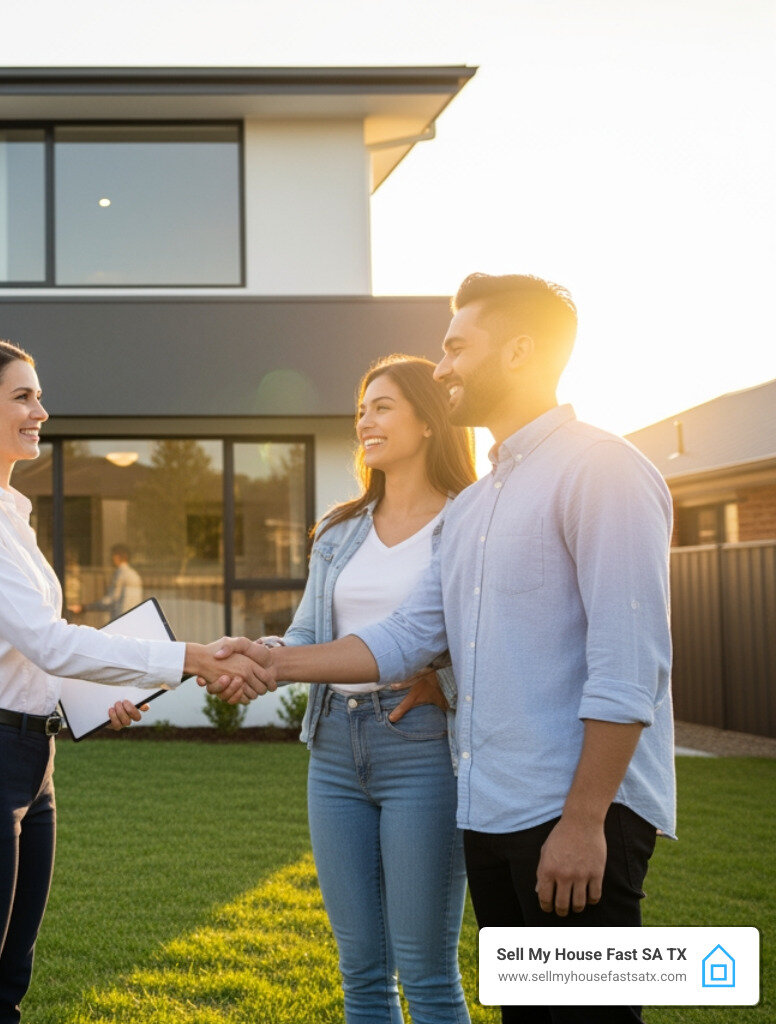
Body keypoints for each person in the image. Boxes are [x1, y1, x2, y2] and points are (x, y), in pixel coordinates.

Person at [210, 274, 676, 1024]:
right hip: (491, 814)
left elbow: (629, 667)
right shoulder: (480, 505)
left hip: (573, 816)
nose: (443, 366)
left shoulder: (602, 468)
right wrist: (274, 660)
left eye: (457, 347)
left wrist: (586, 819)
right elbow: (406, 637)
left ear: (519, 351)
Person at [0, 337, 270, 1024]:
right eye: (22, 396)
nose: (40, 411)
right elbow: (47, 639)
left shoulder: (10, 515)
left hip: (28, 761)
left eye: (38, 396)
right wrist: (193, 657)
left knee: (6, 984)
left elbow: (32, 655)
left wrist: (94, 702)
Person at [280, 354, 477, 1023]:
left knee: (426, 972)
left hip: (422, 748)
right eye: (362, 408)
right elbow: (306, 634)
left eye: (383, 406)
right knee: (361, 970)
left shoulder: (468, 522)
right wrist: (255, 656)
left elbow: (496, 636)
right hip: (334, 747)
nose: (365, 420)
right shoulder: (340, 529)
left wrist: (444, 681)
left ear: (429, 421)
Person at [68, 544, 144, 618]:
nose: (110, 559)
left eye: (111, 556)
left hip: (121, 619)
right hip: (133, 618)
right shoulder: (135, 574)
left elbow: (110, 601)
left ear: (116, 557)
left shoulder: (120, 574)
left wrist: (84, 608)